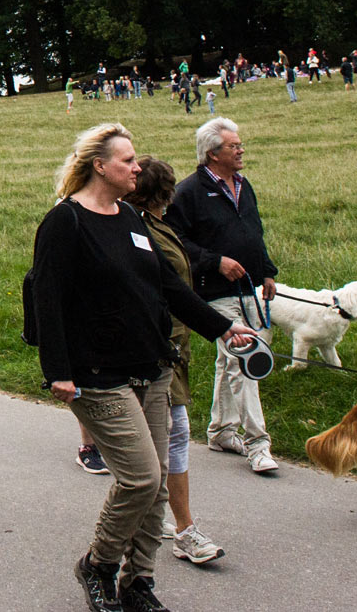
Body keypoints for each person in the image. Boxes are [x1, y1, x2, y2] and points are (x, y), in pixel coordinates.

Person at [31, 123, 253, 612]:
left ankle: (138, 584)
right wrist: (58, 371)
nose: (137, 167)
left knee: (155, 488)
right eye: (128, 160)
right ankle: (99, 564)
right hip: (96, 375)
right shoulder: (64, 223)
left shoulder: (132, 218)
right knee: (141, 479)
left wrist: (221, 327)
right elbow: (48, 300)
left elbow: (169, 289)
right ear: (100, 166)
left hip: (152, 370)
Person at [125, 156, 225, 565]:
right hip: (154, 353)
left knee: (169, 438)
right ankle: (181, 530)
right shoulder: (138, 229)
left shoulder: (157, 225)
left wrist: (217, 326)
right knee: (165, 439)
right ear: (165, 191)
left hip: (173, 349)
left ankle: (158, 520)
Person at [167, 116, 280, 476]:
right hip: (213, 293)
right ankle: (258, 444)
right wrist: (214, 262)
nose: (241, 150)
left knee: (228, 361)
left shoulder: (244, 185)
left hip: (248, 288)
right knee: (245, 359)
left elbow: (254, 230)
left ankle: (220, 430)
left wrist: (266, 270)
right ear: (213, 154)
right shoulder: (189, 192)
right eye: (234, 146)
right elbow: (174, 241)